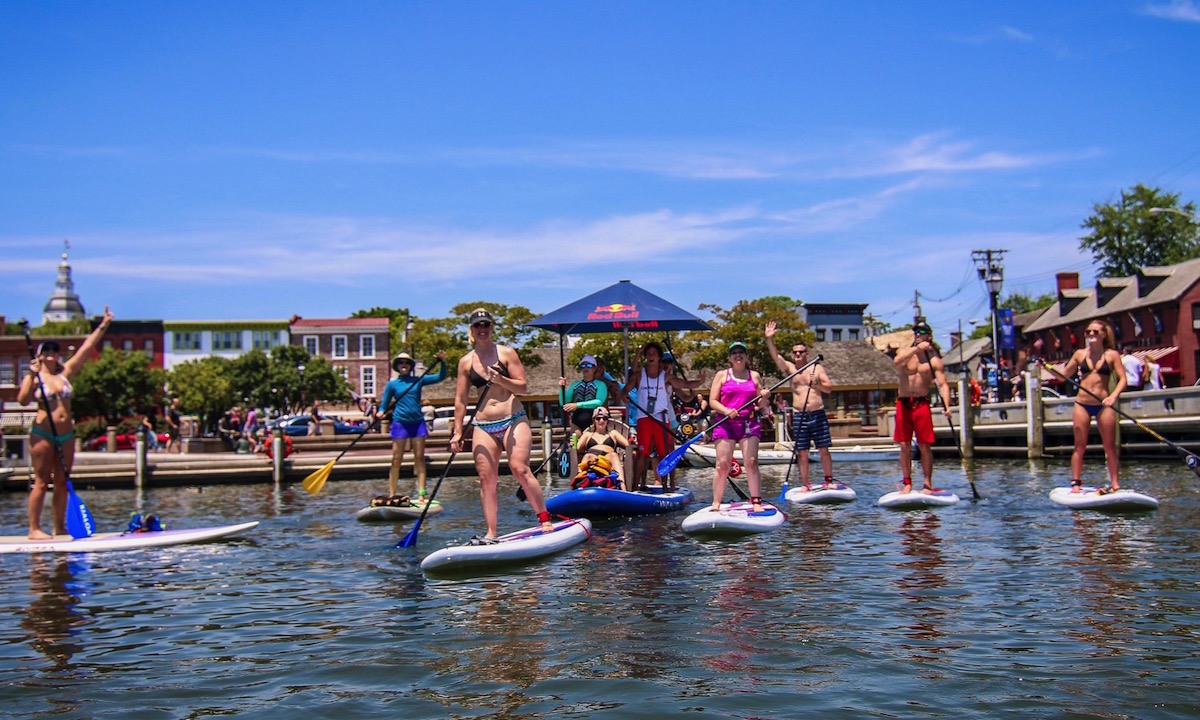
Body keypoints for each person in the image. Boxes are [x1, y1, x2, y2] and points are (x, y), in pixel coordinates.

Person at [451, 308, 553, 542]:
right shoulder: (466, 362)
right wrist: (458, 432)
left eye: (486, 325)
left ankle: (545, 518)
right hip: (484, 424)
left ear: (491, 327)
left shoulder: (507, 353)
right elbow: (461, 400)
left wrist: (501, 380)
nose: (483, 329)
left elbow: (523, 387)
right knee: (487, 479)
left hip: (513, 418)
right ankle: (492, 532)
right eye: (478, 326)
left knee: (520, 469)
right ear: (472, 330)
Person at [17, 307, 113, 539]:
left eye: (55, 349)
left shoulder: (65, 373)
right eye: (46, 349)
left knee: (62, 482)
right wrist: (31, 375)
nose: (51, 352)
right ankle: (34, 529)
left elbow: (86, 348)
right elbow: (22, 400)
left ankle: (59, 526)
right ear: (39, 354)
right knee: (41, 482)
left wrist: (103, 325)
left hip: (66, 434)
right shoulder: (35, 376)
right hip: (43, 433)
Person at [765, 321, 835, 490]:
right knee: (802, 452)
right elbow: (777, 357)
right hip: (799, 415)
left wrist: (816, 383)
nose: (797, 355)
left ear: (806, 353)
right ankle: (805, 484)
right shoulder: (790, 369)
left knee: (823, 449)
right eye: (795, 352)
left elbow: (829, 389)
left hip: (817, 413)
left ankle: (829, 480)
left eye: (801, 352)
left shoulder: (817, 368)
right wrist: (769, 340)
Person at [1059, 320, 1126, 493]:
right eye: (1088, 332)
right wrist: (1045, 367)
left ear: (1104, 334)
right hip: (1082, 404)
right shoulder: (1080, 354)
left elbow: (1123, 380)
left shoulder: (1112, 355)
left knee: (1109, 447)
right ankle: (1075, 483)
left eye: (1095, 332)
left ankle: (1115, 483)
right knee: (1079, 446)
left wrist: (1113, 396)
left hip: (1104, 404)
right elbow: (1063, 376)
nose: (1091, 335)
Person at [376, 350, 448, 503]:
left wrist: (442, 362)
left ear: (410, 366)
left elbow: (440, 377)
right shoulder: (392, 385)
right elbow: (384, 404)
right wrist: (381, 411)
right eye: (401, 363)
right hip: (400, 423)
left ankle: (422, 494)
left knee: (419, 459)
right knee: (396, 459)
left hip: (417, 423)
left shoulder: (418, 380)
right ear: (397, 366)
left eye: (407, 363)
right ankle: (392, 493)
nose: (404, 365)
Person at [707, 342, 770, 511]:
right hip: (725, 424)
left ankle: (756, 501)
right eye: (734, 352)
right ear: (730, 358)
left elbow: (760, 403)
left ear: (747, 357)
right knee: (723, 464)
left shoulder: (754, 376)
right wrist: (726, 411)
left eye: (741, 352)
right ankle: (716, 503)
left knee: (751, 462)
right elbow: (712, 401)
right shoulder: (721, 375)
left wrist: (764, 396)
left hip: (748, 423)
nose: (738, 355)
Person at [892, 322, 952, 494]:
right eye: (916, 332)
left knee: (924, 445)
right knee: (904, 445)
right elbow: (897, 361)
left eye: (922, 332)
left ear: (929, 336)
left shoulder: (934, 361)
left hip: (921, 403)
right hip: (904, 402)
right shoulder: (906, 353)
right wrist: (916, 349)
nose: (918, 334)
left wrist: (947, 406)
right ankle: (907, 482)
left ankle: (927, 483)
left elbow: (943, 384)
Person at [619, 342, 684, 492]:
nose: (666, 365)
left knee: (667, 451)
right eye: (665, 362)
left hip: (666, 417)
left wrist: (693, 391)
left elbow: (684, 395)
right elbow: (633, 373)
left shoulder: (668, 378)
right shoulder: (641, 376)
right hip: (644, 417)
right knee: (645, 453)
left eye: (669, 363)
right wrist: (639, 351)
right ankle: (638, 485)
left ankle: (669, 485)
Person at [574, 406, 629, 489]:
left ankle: (622, 485)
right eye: (598, 418)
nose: (601, 421)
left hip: (608, 457)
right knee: (587, 456)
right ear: (594, 420)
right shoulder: (588, 434)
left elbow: (627, 445)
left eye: (604, 418)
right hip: (592, 456)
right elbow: (577, 448)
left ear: (607, 420)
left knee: (614, 455)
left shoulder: (613, 433)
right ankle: (579, 482)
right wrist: (573, 442)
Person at [558, 354, 608, 431]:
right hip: (576, 422)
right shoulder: (575, 385)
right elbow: (563, 403)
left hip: (593, 422)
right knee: (574, 441)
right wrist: (562, 388)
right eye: (583, 366)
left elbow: (599, 402)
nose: (586, 368)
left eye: (589, 365)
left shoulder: (600, 385)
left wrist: (577, 405)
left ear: (594, 368)